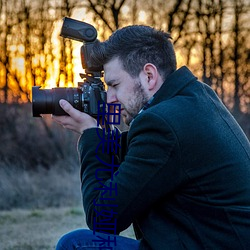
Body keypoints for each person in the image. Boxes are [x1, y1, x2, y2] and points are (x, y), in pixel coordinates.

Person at [53, 25, 250, 250]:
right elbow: (145, 158)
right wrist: (102, 134)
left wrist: (90, 136)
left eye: (115, 85)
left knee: (75, 244)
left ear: (149, 75)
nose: (110, 99)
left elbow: (103, 218)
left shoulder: (162, 124)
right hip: (214, 240)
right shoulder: (195, 98)